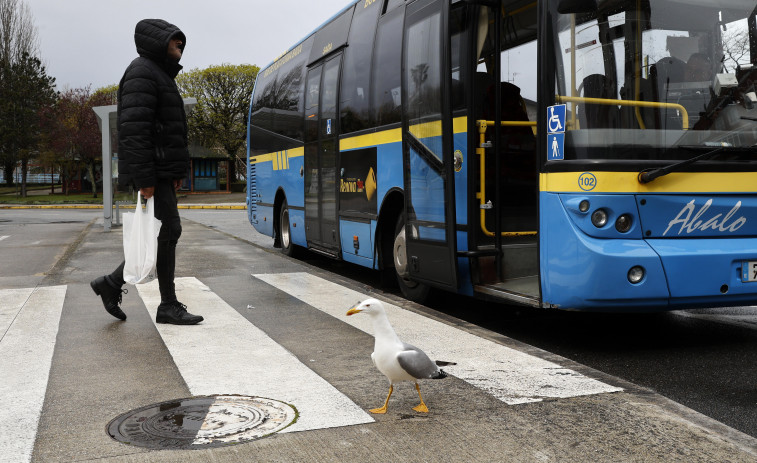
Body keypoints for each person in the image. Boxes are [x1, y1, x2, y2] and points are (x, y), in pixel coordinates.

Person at [90, 19, 203, 325]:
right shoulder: (143, 72)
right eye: (174, 39)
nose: (180, 43)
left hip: (162, 171)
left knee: (164, 233)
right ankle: (165, 304)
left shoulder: (160, 75)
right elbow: (135, 131)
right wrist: (145, 179)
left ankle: (112, 284)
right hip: (152, 172)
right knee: (168, 232)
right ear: (157, 42)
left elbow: (167, 129)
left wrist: (175, 170)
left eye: (182, 40)